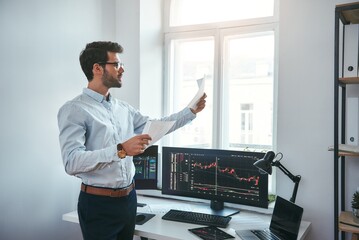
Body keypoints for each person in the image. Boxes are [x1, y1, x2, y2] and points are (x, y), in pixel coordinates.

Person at [57, 41, 206, 240]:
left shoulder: (123, 108)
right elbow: (71, 162)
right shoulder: (74, 109)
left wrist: (190, 111)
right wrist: (121, 150)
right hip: (97, 204)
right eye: (116, 64)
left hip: (128, 200)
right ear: (97, 68)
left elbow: (156, 127)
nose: (122, 69)